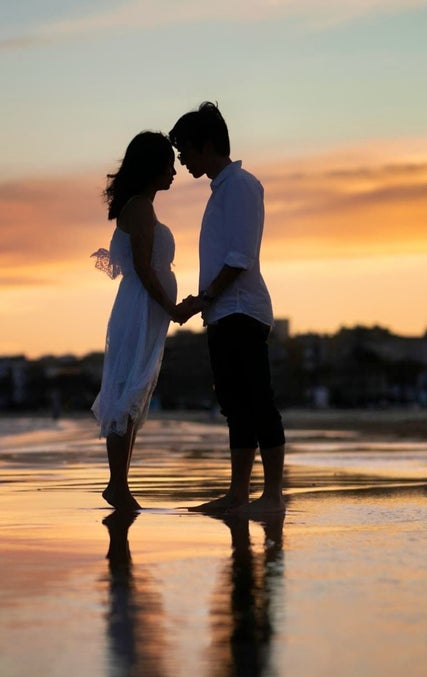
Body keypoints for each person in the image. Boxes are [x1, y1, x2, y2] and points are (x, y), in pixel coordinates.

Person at [170, 102, 286, 514]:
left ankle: (272, 496)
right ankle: (238, 495)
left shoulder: (240, 185)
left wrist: (203, 299)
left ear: (207, 145)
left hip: (242, 310)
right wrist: (203, 304)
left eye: (185, 150)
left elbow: (240, 257)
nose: (181, 159)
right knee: (236, 405)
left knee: (257, 400)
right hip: (223, 312)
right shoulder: (222, 188)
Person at [91, 131, 180, 511]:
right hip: (141, 307)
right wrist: (171, 307)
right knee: (128, 387)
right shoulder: (141, 208)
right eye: (168, 164)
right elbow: (143, 268)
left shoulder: (142, 206)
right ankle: (117, 485)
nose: (174, 171)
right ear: (152, 167)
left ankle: (120, 484)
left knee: (134, 390)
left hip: (144, 308)